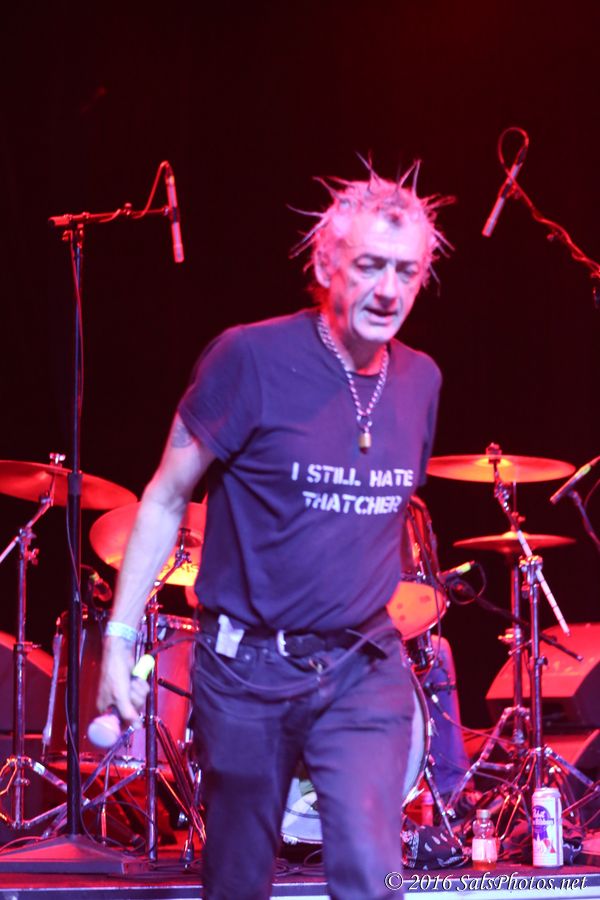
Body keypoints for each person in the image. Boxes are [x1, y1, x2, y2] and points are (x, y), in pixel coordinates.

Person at [97, 163, 451, 899]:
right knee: (237, 881)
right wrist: (120, 638)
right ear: (325, 266)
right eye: (370, 266)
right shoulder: (250, 358)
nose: (389, 290)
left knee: (372, 869)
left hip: (361, 662)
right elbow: (164, 497)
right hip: (247, 670)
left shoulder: (421, 381)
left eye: (407, 271)